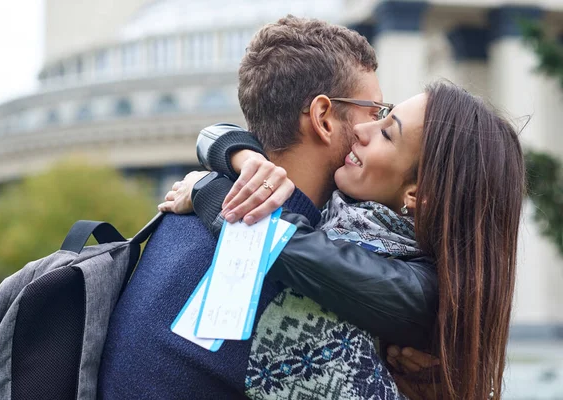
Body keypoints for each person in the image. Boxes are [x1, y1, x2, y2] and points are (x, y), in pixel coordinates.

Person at [98, 16, 428, 399]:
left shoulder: (183, 218)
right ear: (323, 119)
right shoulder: (298, 290)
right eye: (374, 112)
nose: (373, 128)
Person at [163, 81, 525, 400]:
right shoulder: (340, 209)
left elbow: (282, 245)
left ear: (417, 194)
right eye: (382, 115)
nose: (363, 130)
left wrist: (209, 190)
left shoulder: (422, 294)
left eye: (387, 133)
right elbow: (213, 134)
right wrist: (245, 159)